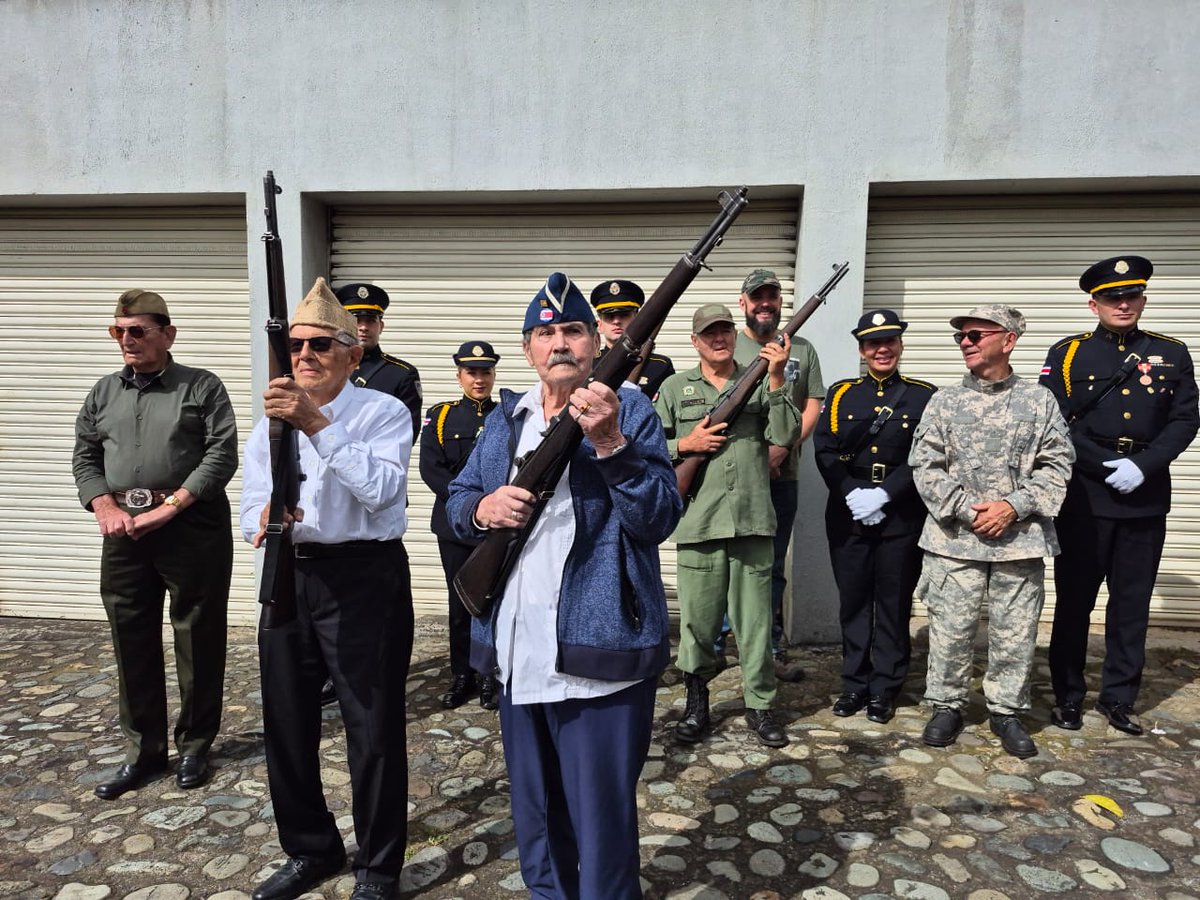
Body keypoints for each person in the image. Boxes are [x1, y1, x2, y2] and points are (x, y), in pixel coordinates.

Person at [446, 272, 680, 899]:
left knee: (601, 823)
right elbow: (458, 499)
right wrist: (481, 510)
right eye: (544, 334)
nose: (559, 344)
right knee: (537, 818)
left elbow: (657, 516)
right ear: (527, 351)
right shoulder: (507, 419)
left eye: (572, 330)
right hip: (519, 649)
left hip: (599, 652)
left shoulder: (631, 410)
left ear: (596, 341)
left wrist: (610, 443)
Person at [240, 278, 414, 900]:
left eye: (320, 345)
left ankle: (379, 866)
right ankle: (310, 848)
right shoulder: (269, 422)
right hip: (290, 570)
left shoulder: (383, 412)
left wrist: (316, 424)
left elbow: (383, 492)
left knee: (371, 724)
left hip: (362, 576)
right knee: (285, 719)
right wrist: (259, 519)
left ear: (352, 354)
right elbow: (253, 497)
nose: (305, 356)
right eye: (296, 346)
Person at [73, 289, 237, 799]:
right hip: (123, 531)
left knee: (197, 635)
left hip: (190, 527)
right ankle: (143, 752)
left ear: (168, 334)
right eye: (118, 331)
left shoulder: (201, 387)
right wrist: (104, 506)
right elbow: (84, 457)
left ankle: (195, 746)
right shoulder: (103, 393)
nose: (127, 340)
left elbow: (221, 453)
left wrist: (172, 507)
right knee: (131, 637)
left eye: (138, 330)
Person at [1042, 256, 1199, 735]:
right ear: (1094, 304)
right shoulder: (1068, 353)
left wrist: (1143, 465)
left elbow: (1186, 418)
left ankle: (1118, 699)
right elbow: (1052, 421)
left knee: (1131, 604)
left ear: (1144, 300)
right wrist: (1102, 463)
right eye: (1112, 297)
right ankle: (1068, 696)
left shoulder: (1171, 352)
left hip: (1144, 495)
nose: (1123, 303)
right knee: (1074, 602)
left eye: (1131, 295)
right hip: (1086, 496)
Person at [909, 305, 1074, 759]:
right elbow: (925, 464)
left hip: (1018, 541)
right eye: (962, 335)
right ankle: (946, 704)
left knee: (1015, 631)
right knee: (950, 629)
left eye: (977, 334)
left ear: (1009, 339)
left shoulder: (1039, 402)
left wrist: (1012, 507)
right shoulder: (943, 401)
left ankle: (1006, 711)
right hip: (953, 541)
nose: (966, 341)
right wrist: (966, 509)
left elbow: (1058, 465)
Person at [654, 303, 800, 747]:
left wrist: (776, 379)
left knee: (755, 623)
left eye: (724, 331)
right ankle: (697, 703)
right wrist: (687, 442)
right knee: (698, 623)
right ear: (695, 341)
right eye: (708, 333)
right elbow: (648, 445)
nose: (718, 339)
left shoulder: (760, 380)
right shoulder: (675, 388)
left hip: (753, 521)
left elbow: (784, 435)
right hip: (700, 522)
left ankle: (759, 705)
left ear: (735, 336)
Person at [813, 309, 936, 724]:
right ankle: (854, 683)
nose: (881, 349)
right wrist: (851, 493)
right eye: (872, 344)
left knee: (893, 602)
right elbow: (826, 450)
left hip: (901, 514)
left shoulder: (924, 395)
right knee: (853, 603)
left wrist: (884, 494)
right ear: (862, 350)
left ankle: (885, 687)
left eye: (889, 342)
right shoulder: (841, 393)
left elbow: (927, 457)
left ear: (900, 345)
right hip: (848, 513)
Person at [731, 268, 825, 676]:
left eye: (772, 296)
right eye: (757, 297)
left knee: (769, 566)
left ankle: (769, 649)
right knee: (724, 561)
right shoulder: (726, 344)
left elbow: (812, 406)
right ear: (743, 304)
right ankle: (719, 647)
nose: (765, 303)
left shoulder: (802, 348)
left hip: (782, 478)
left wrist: (781, 447)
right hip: (730, 478)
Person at [419, 340, 502, 710]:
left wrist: (490, 506)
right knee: (459, 603)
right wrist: (467, 503)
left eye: (485, 371)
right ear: (459, 376)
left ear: (493, 374)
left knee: (494, 600)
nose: (479, 379)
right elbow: (431, 468)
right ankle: (462, 674)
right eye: (472, 372)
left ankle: (490, 674)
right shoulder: (440, 416)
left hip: (496, 525)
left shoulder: (506, 416)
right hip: (454, 525)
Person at [335, 282, 422, 437]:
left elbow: (407, 433)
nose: (363, 327)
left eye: (370, 320)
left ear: (381, 326)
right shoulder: (326, 367)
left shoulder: (401, 374)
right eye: (356, 320)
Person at [589, 278, 675, 398]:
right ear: (600, 325)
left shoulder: (659, 366)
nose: (617, 321)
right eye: (609, 316)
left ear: (637, 319)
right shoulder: (589, 364)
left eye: (624, 315)